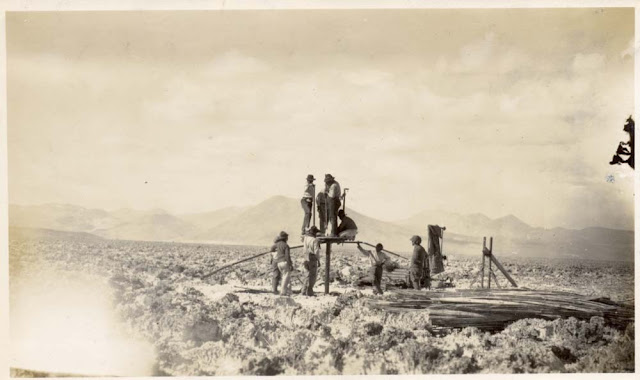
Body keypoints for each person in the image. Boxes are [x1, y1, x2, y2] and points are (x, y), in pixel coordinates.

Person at [270, 231, 293, 296]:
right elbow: (287, 256)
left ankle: (288, 291)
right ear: (285, 238)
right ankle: (283, 292)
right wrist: (290, 264)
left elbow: (272, 251)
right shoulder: (286, 245)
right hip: (284, 262)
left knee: (285, 276)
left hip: (279, 262)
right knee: (285, 277)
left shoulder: (276, 245)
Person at [301, 226, 321, 296]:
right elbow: (316, 251)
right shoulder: (315, 240)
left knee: (307, 275)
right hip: (312, 257)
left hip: (305, 257)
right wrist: (318, 260)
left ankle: (303, 290)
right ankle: (309, 291)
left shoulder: (306, 238)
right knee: (312, 275)